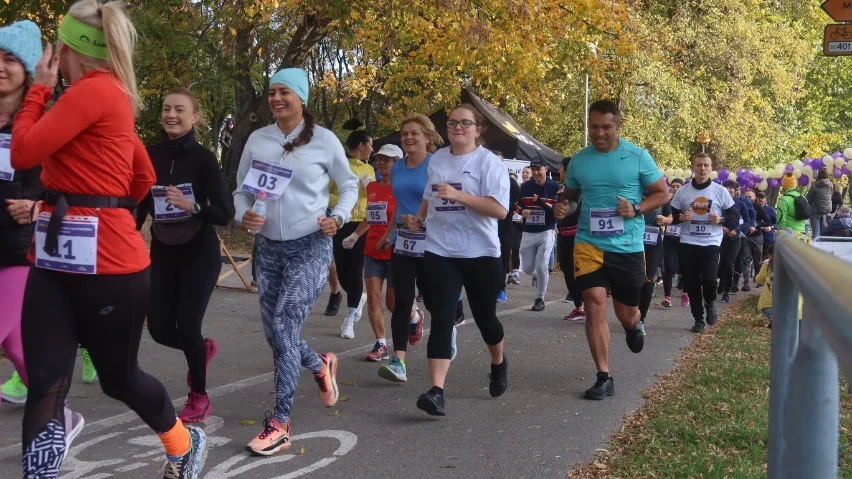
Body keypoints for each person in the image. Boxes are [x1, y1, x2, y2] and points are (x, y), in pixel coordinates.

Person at [12, 2, 206, 476]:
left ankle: (184, 441)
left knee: (120, 379)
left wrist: (37, 90)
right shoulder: (101, 100)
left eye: (60, 45)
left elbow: (23, 151)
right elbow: (141, 173)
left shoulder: (93, 92)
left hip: (110, 270)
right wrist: (101, 205)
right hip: (55, 263)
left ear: (73, 51)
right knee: (45, 381)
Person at [233, 68, 356, 455]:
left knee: (285, 324)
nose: (276, 98)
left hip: (310, 245)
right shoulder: (258, 139)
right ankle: (320, 365)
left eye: (284, 91)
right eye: (271, 92)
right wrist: (244, 215)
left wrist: (337, 216)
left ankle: (281, 423)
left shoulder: (324, 140)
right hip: (268, 249)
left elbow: (349, 183)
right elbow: (241, 192)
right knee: (276, 335)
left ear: (302, 98)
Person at [553, 99, 668, 401]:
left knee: (626, 313)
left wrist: (637, 208)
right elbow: (572, 194)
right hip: (588, 243)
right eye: (594, 127)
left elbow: (662, 193)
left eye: (606, 127)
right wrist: (565, 207)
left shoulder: (638, 156)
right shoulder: (580, 160)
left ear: (618, 125)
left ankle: (634, 325)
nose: (599, 133)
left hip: (627, 245)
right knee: (594, 304)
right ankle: (604, 376)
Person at [403, 104, 509, 416]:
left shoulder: (488, 163)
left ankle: (499, 363)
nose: (458, 128)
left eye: (465, 123)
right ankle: (437, 391)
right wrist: (419, 218)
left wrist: (460, 196)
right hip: (440, 250)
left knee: (486, 319)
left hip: (481, 252)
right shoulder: (437, 159)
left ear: (478, 129)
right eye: (452, 123)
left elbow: (500, 210)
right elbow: (430, 194)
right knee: (442, 317)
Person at [135, 88, 230, 423]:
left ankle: (199, 396)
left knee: (188, 325)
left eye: (179, 110)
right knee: (160, 329)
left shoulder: (204, 158)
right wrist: (128, 234)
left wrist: (193, 207)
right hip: (163, 249)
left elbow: (223, 212)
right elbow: (141, 204)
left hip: (199, 250)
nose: (171, 115)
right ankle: (201, 349)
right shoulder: (149, 155)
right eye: (166, 109)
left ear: (195, 117)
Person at [377, 114, 440, 383]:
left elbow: (443, 200)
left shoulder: (435, 164)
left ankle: (445, 338)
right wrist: (387, 234)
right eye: (404, 134)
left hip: (432, 242)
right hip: (403, 241)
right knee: (401, 301)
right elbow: (401, 205)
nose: (409, 138)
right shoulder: (398, 168)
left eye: (414, 133)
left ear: (427, 136)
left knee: (436, 301)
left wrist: (424, 219)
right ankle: (398, 361)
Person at [354, 143, 415, 361]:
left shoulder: (403, 189)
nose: (382, 163)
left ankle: (414, 316)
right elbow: (371, 217)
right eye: (379, 158)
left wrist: (391, 236)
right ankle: (380, 343)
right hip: (372, 250)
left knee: (393, 303)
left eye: (387, 160)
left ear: (398, 162)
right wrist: (355, 235)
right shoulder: (372, 188)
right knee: (373, 298)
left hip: (396, 251)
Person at [670, 153, 738, 333]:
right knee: (691, 283)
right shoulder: (683, 192)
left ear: (711, 168)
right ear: (693, 167)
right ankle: (698, 319)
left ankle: (709, 303)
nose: (702, 169)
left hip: (711, 242)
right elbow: (672, 216)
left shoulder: (720, 191)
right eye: (699, 165)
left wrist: (721, 219)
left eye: (706, 165)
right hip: (688, 242)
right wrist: (681, 217)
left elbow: (734, 216)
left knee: (709, 279)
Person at [331, 118, 373, 339]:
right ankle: (358, 299)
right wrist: (344, 198)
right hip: (340, 221)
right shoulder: (339, 166)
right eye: (370, 145)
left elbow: (375, 197)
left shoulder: (370, 169)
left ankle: (349, 318)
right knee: (342, 271)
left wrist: (370, 189)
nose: (372, 149)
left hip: (362, 225)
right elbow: (323, 193)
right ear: (361, 146)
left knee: (356, 269)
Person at [518, 157, 560, 311]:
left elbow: (558, 211)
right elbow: (518, 206)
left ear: (546, 169)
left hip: (547, 230)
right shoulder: (526, 187)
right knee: (528, 268)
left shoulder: (554, 187)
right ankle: (539, 275)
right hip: (529, 231)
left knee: (542, 264)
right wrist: (523, 211)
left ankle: (539, 298)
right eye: (533, 169)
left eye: (539, 169)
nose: (536, 172)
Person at [556, 157, 584, 321]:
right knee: (567, 272)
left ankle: (585, 306)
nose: (559, 171)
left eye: (560, 168)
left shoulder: (579, 189)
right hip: (563, 233)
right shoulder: (564, 190)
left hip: (576, 234)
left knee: (576, 273)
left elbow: (574, 209)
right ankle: (579, 307)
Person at [638, 191, 672, 327]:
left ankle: (641, 318)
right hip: (633, 241)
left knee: (647, 280)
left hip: (653, 242)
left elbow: (670, 217)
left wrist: (665, 220)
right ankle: (631, 311)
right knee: (633, 280)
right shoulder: (632, 192)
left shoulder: (662, 197)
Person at [718, 180, 749, 303]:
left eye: (731, 188)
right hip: (718, 237)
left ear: (735, 190)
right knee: (719, 264)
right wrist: (720, 227)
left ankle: (726, 291)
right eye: (726, 187)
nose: (728, 189)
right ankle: (721, 281)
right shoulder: (718, 202)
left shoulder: (741, 204)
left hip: (734, 238)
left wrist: (736, 230)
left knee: (728, 263)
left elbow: (747, 221)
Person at [495, 149, 518, 303]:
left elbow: (513, 203)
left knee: (503, 257)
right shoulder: (482, 179)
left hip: (504, 225)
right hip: (485, 225)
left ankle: (500, 289)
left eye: (498, 160)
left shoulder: (511, 182)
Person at [733, 188, 768, 290]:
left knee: (757, 260)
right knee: (745, 259)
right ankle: (746, 283)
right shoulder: (741, 206)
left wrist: (757, 225)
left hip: (757, 237)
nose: (748, 198)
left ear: (754, 198)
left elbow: (768, 221)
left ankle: (759, 279)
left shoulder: (758, 208)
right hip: (746, 237)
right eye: (746, 196)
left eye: (750, 197)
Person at [661, 179, 688, 308]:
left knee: (684, 269)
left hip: (684, 240)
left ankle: (685, 293)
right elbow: (664, 217)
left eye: (678, 186)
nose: (676, 188)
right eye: (673, 186)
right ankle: (667, 297)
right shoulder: (667, 202)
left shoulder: (687, 202)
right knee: (669, 267)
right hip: (669, 239)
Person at [806, 169, 833, 238]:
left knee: (816, 234)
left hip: (815, 212)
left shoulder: (814, 186)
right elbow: (830, 195)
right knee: (823, 234)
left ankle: (815, 248)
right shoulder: (830, 185)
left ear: (818, 175)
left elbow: (809, 199)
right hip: (826, 212)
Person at [756, 191, 777, 268]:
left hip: (767, 237)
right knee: (756, 257)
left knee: (766, 257)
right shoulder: (753, 208)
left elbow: (777, 223)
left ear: (765, 199)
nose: (760, 199)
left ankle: (765, 272)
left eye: (762, 197)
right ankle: (757, 272)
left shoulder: (770, 210)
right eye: (758, 197)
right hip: (755, 236)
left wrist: (771, 227)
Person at [755, 245, 773, 328]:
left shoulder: (767, 264)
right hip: (790, 304)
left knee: (765, 306)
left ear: (769, 255)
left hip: (770, 303)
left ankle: (772, 319)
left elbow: (759, 280)